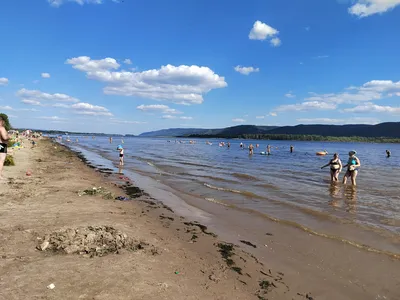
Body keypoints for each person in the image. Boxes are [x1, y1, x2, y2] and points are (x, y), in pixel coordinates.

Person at [0, 116, 9, 181]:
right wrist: (8, 136)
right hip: (2, 145)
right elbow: (4, 138)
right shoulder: (1, 128)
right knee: (1, 161)